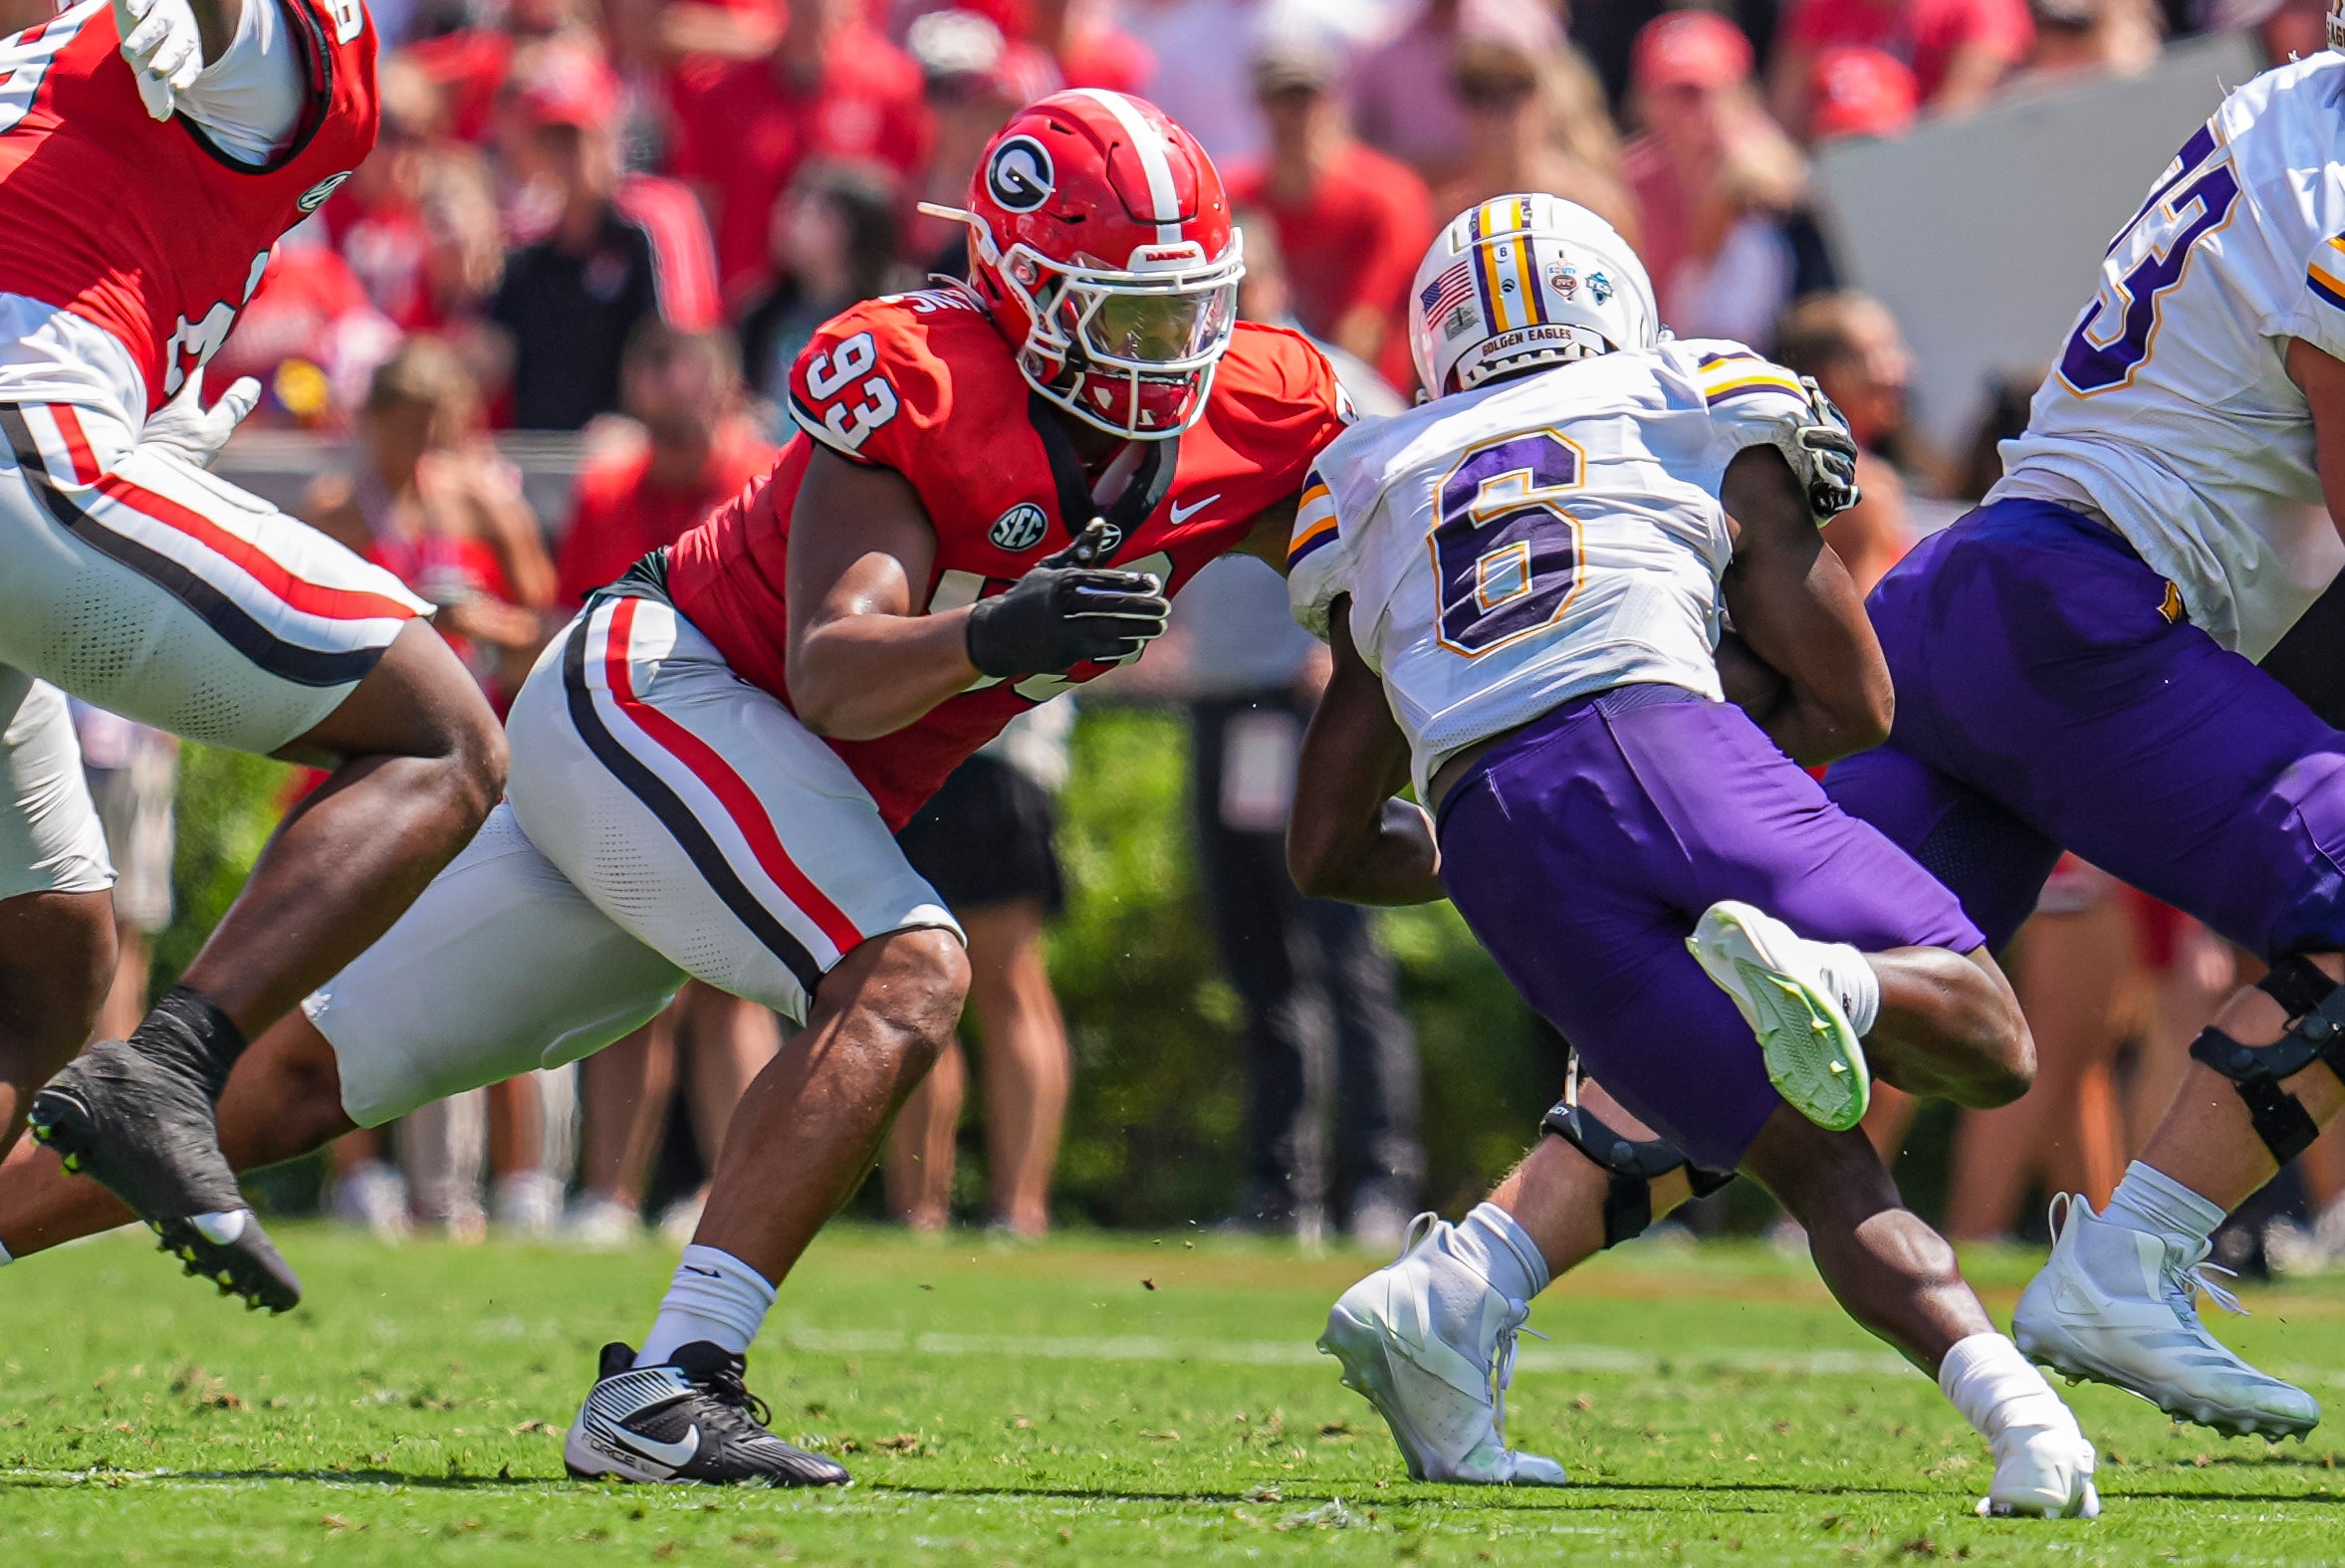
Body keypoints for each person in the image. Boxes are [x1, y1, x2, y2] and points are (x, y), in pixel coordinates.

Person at [0, 91, 1350, 1486]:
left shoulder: (1255, 406)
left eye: (1184, 309)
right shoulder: (925, 374)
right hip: (662, 696)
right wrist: (994, 634)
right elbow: (830, 669)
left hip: (727, 789)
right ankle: (678, 1379)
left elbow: (1378, 530)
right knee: (903, 969)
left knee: (297, 1080)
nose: (1163, 354)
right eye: (1122, 317)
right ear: (1016, 286)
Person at [1398, 15, 2345, 1446]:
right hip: (2086, 613)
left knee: (1759, 1006)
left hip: (1987, 601)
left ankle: (1465, 1280)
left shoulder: (2287, 110)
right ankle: (2133, 1257)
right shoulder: (2326, 165)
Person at [1290, 193, 2095, 1517]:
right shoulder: (1683, 390)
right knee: (1991, 1043)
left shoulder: (1375, 479)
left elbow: (1323, 844)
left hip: (1496, 833)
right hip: (1659, 740)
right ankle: (1833, 986)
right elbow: (1856, 704)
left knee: (1815, 1160)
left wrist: (1480, 848)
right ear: (1608, 298)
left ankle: (2025, 1421)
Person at [0, 0, 506, 1311]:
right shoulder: (275, 59)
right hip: (18, 435)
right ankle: (167, 1064)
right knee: (442, 736)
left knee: (51, 945)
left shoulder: (112, 62)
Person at [884, 701, 1075, 1237]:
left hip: (993, 759)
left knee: (1009, 987)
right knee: (908, 990)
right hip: (901, 763)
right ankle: (916, 1212)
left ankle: (1019, 1211)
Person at [485, 41, 723, 429]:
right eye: (549, 139)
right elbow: (495, 356)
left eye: (574, 138)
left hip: (640, 458)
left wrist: (639, 432)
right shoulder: (525, 252)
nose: (563, 157)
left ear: (609, 137)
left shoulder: (652, 221)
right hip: (539, 463)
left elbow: (684, 353)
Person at [1225, 38, 1431, 376]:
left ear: (1332, 102)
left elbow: (1365, 328)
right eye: (1280, 99)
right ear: (1259, 105)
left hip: (1368, 402)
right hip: (1267, 379)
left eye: (1304, 98)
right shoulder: (1236, 196)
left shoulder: (1385, 196)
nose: (1293, 116)